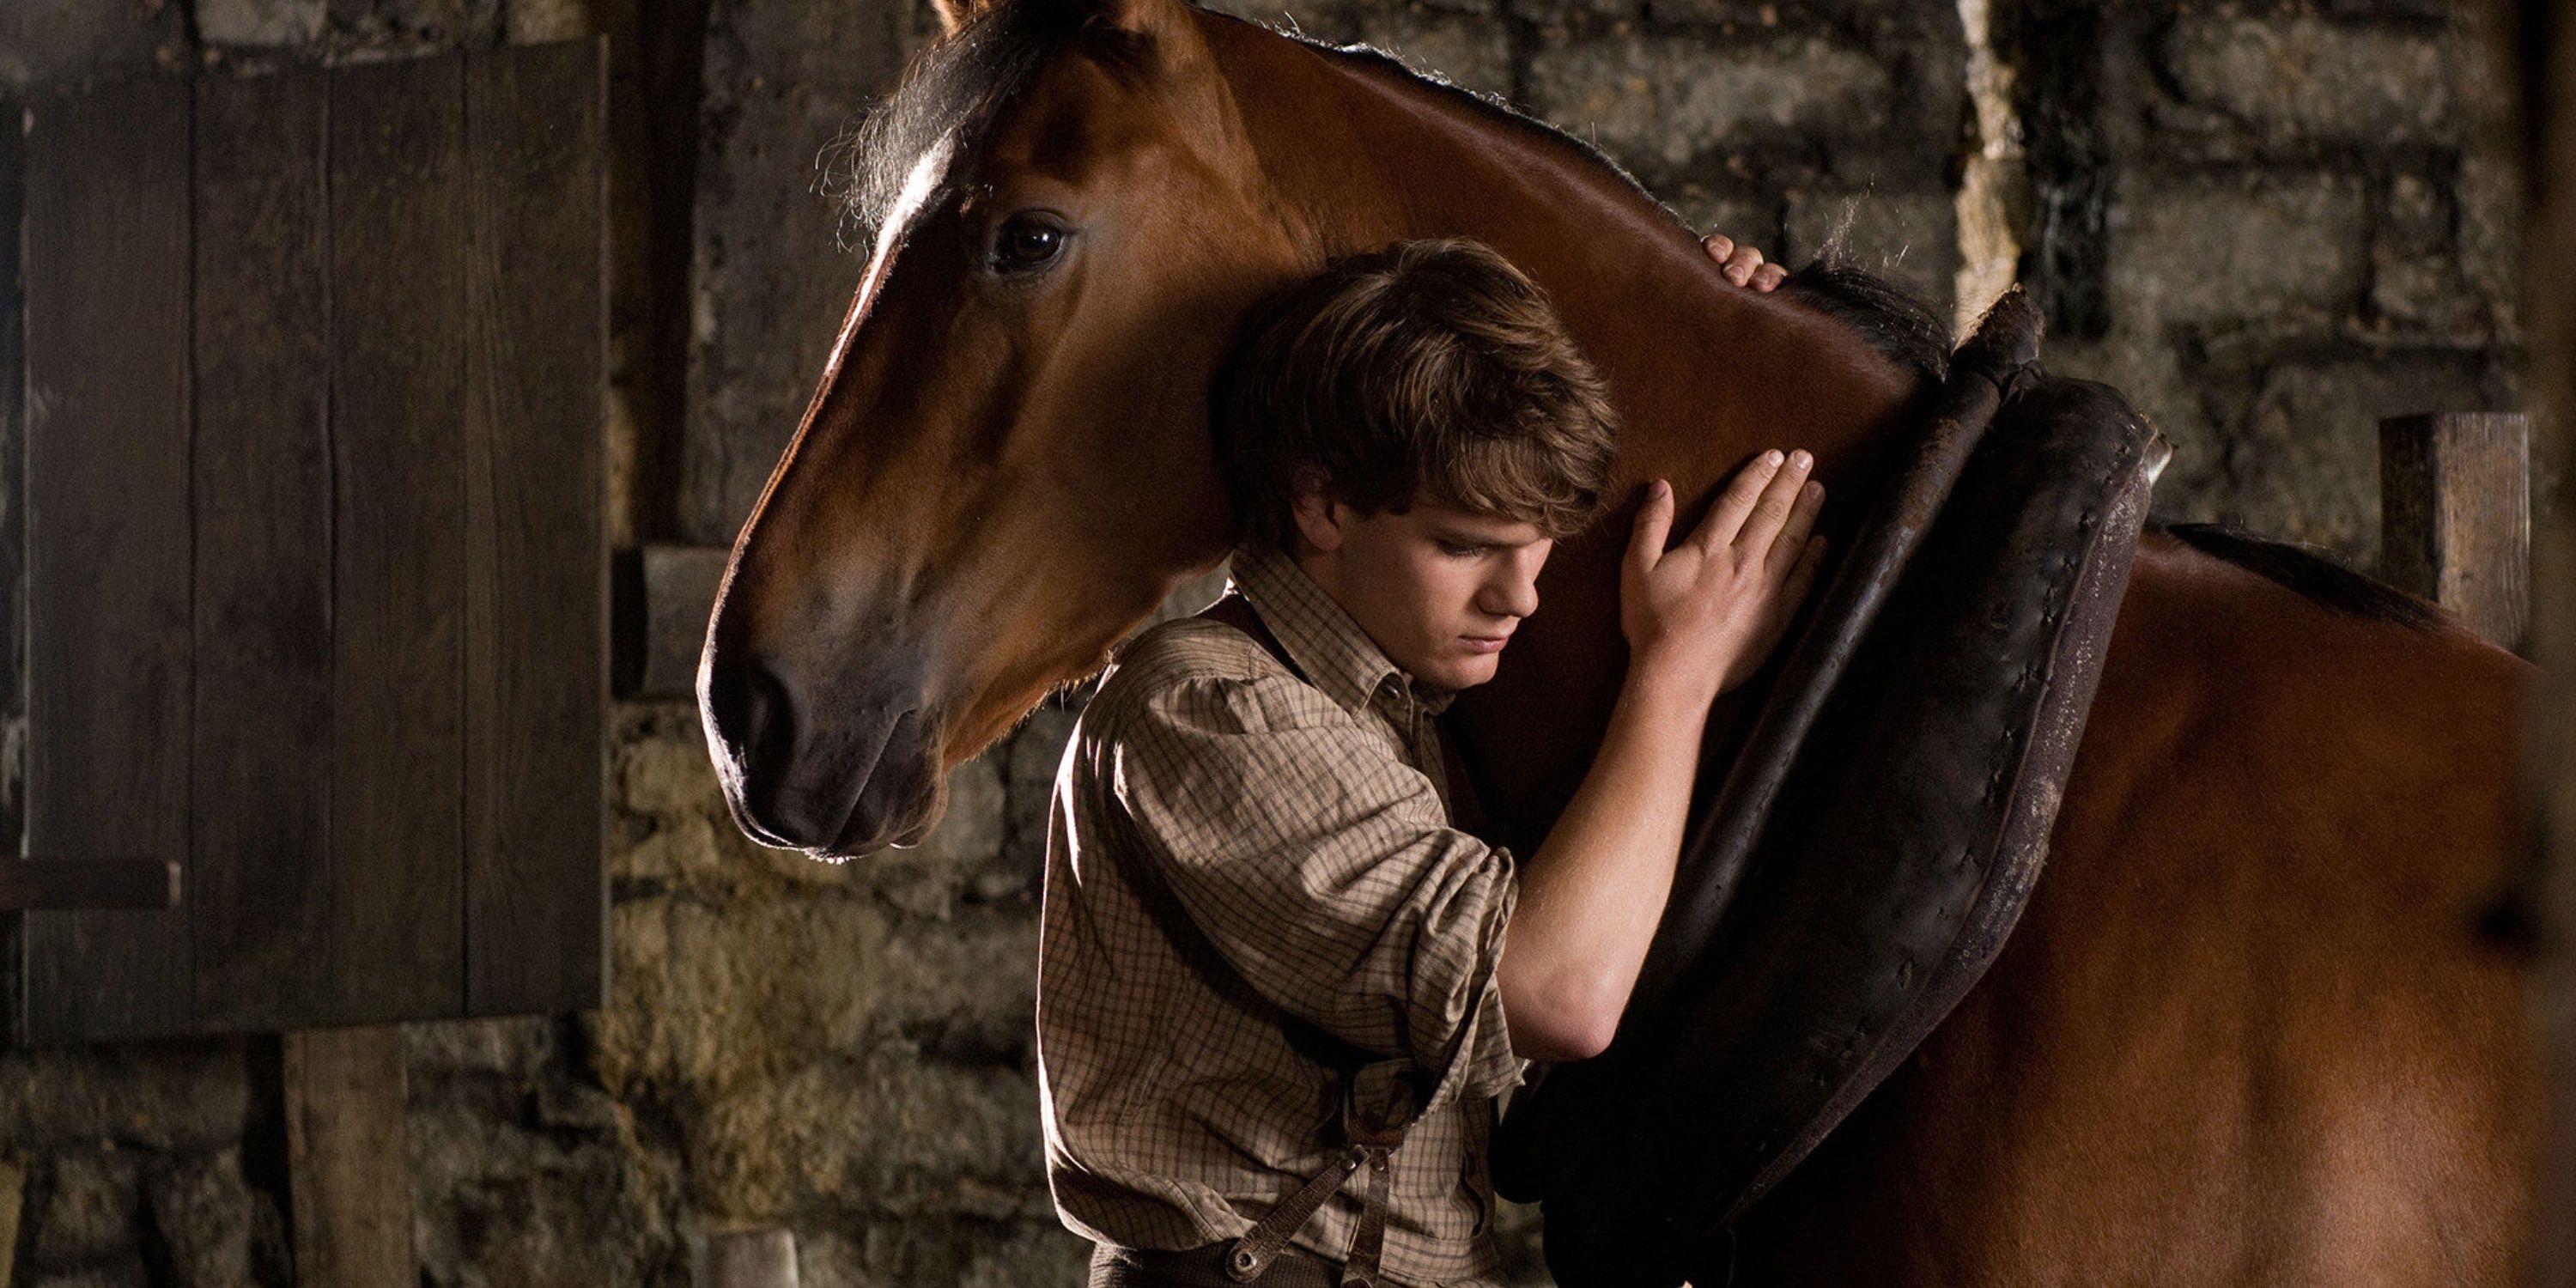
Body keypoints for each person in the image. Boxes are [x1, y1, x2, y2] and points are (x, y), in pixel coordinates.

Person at [1036, 232, 1824, 1287]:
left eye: (1537, 541)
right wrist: (1675, 675)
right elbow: (1557, 993)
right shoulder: (1211, 708)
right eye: (1462, 546)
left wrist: (1727, 331)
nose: (1521, 596)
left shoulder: (1401, 707)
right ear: (1322, 504)